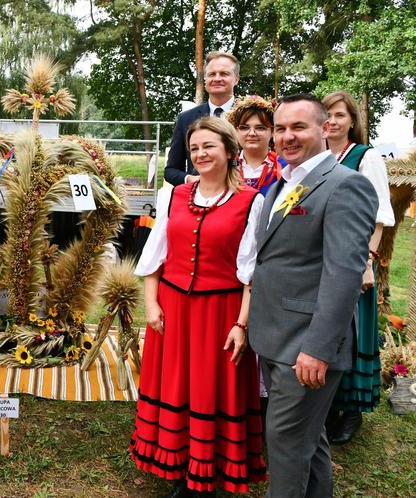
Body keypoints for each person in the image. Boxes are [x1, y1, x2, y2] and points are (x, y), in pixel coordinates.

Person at [248, 94, 377, 498]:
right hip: (275, 337)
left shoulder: (345, 185)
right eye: (281, 128)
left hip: (305, 349)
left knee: (286, 448)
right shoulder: (288, 182)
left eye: (298, 127)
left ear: (325, 129)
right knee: (308, 441)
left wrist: (318, 350)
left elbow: (343, 276)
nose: (287, 136)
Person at [131, 117, 266, 497]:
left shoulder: (250, 202)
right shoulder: (172, 196)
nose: (201, 154)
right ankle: (178, 465)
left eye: (209, 146)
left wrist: (242, 324)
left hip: (220, 313)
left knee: (210, 391)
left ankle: (208, 473)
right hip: (173, 310)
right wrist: (152, 305)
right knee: (177, 387)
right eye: (194, 149)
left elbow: (251, 272)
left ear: (228, 150)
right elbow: (154, 256)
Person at [322, 90, 395, 444]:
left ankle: (352, 410)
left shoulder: (365, 158)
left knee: (351, 333)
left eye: (339, 115)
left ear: (352, 120)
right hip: (321, 260)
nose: (332, 121)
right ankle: (329, 406)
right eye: (327, 115)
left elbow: (380, 216)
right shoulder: (317, 157)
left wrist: (367, 262)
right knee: (327, 333)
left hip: (353, 259)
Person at [164, 52, 240, 186]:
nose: (217, 78)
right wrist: (191, 180)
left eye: (224, 74)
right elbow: (171, 171)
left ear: (236, 79)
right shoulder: (185, 119)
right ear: (205, 79)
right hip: (199, 198)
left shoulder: (248, 115)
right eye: (211, 74)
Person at [226, 95, 284, 196]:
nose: (252, 133)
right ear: (236, 131)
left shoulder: (285, 167)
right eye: (244, 128)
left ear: (273, 131)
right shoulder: (225, 166)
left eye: (260, 128)